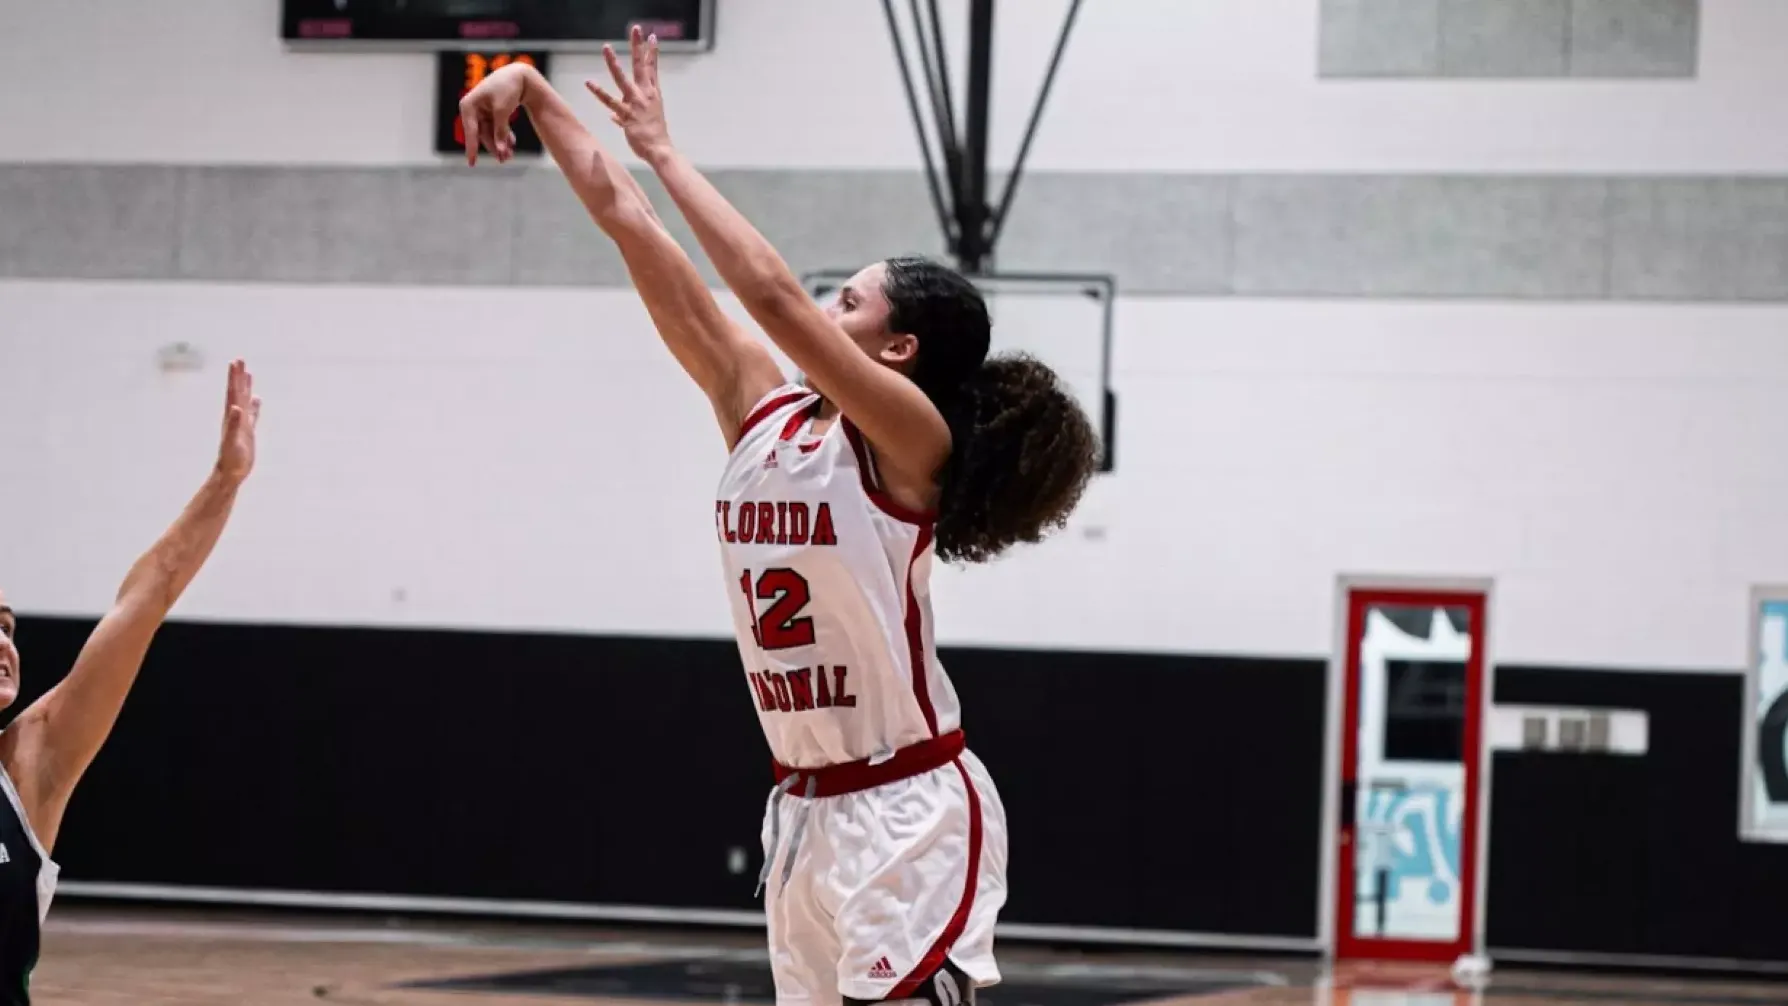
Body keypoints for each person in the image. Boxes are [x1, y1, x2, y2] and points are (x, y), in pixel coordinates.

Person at [460, 31, 1099, 1006]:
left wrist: (666, 150)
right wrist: (538, 93)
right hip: (801, 812)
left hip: (909, 807)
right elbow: (630, 224)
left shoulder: (910, 442)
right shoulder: (762, 414)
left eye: (849, 301)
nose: (825, 310)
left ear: (899, 349)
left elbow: (766, 294)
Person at [0, 361, 259, 1003]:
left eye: (6, 626)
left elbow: (145, 598)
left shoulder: (26, 768)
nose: (4, 646)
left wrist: (225, 482)